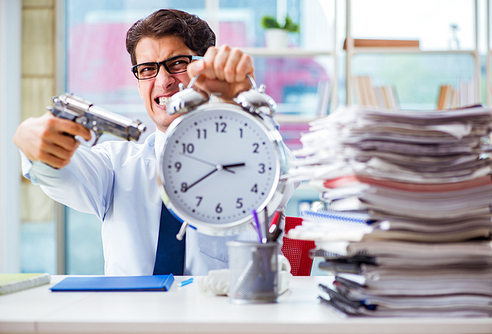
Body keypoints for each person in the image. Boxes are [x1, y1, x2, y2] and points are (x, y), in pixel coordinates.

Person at [13, 9, 292, 276]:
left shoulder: (247, 158)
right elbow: (56, 173)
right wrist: (31, 140)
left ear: (204, 71)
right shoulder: (114, 165)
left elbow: (283, 178)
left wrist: (246, 106)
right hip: (130, 323)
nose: (163, 81)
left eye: (178, 64)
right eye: (147, 69)